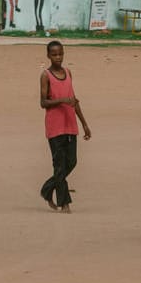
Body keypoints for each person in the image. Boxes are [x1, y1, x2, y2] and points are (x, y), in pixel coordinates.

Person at [38, 40, 91, 212]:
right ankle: (64, 203)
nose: (58, 57)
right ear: (48, 55)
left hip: (70, 124)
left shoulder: (68, 72)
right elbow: (43, 102)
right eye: (54, 54)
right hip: (55, 127)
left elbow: (74, 100)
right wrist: (61, 100)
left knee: (72, 161)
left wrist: (84, 124)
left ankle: (47, 189)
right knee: (59, 165)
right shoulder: (46, 75)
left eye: (60, 54)